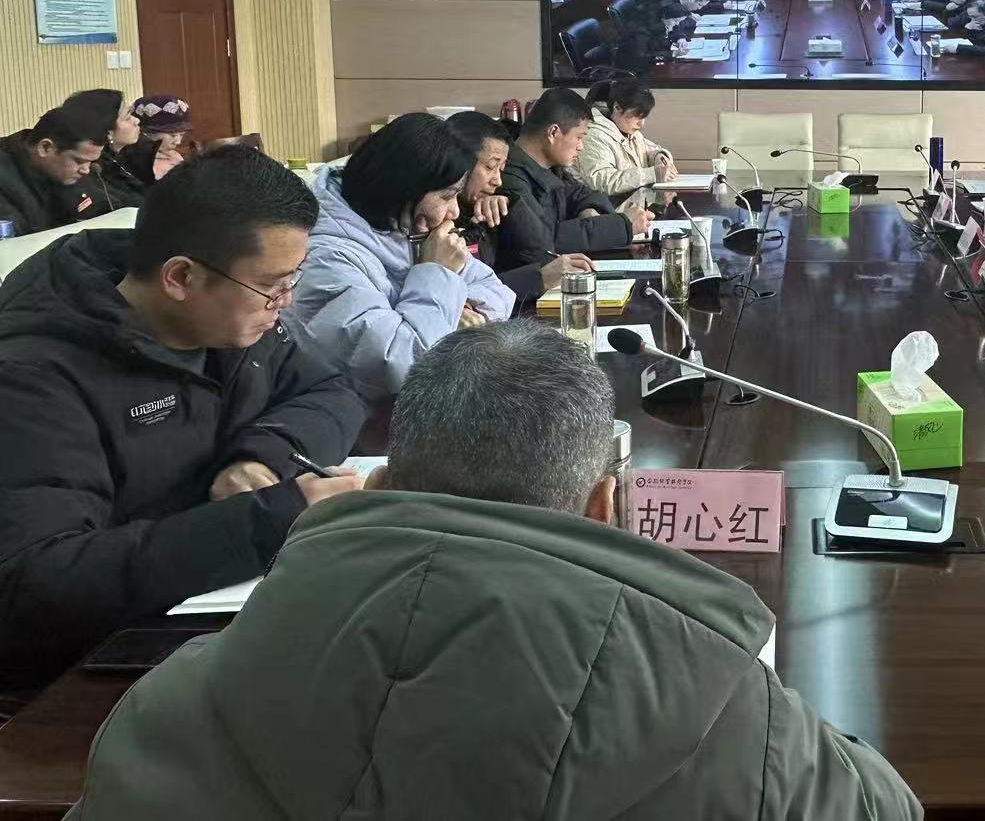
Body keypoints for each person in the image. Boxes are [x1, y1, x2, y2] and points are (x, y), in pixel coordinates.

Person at [65, 320, 923, 820]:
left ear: (383, 481)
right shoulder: (735, 716)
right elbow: (888, 807)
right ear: (604, 505)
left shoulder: (174, 704)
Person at [0, 148, 365, 692]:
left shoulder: (234, 322)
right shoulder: (34, 376)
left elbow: (333, 390)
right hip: (90, 675)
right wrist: (268, 520)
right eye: (273, 285)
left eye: (292, 281)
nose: (285, 304)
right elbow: (35, 584)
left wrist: (261, 455)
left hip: (211, 618)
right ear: (180, 277)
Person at [289, 114, 516, 402]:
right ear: (406, 187)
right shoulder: (325, 258)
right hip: (367, 417)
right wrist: (437, 274)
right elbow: (403, 367)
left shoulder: (404, 226)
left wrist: (462, 312)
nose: (455, 212)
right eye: (447, 196)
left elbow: (496, 290)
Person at [445, 113, 593, 306]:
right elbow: (467, 296)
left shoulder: (486, 208)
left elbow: (541, 251)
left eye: (501, 169)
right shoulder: (438, 220)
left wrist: (512, 207)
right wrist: (539, 278)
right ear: (458, 162)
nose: (498, 181)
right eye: (490, 167)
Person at [500, 88, 648, 279]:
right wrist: (623, 225)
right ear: (553, 132)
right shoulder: (509, 178)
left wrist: (588, 209)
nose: (581, 146)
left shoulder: (547, 166)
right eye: (579, 137)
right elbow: (544, 243)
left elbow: (582, 193)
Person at [0, 106, 104, 235]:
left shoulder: (64, 169)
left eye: (90, 162)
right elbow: (14, 239)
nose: (86, 170)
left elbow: (100, 208)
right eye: (79, 161)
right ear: (45, 147)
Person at [578, 77, 680, 196]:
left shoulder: (628, 130)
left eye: (644, 117)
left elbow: (650, 150)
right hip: (610, 206)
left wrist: (659, 157)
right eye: (637, 116)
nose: (641, 124)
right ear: (617, 107)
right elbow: (602, 182)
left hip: (634, 203)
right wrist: (653, 174)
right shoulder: (593, 135)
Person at [62, 89, 149, 214]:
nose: (137, 121)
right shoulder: (89, 170)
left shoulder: (129, 155)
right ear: (106, 130)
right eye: (127, 117)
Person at [130, 93, 192, 181]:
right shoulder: (135, 163)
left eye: (182, 135)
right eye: (173, 135)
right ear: (147, 133)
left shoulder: (175, 156)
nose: (178, 142)